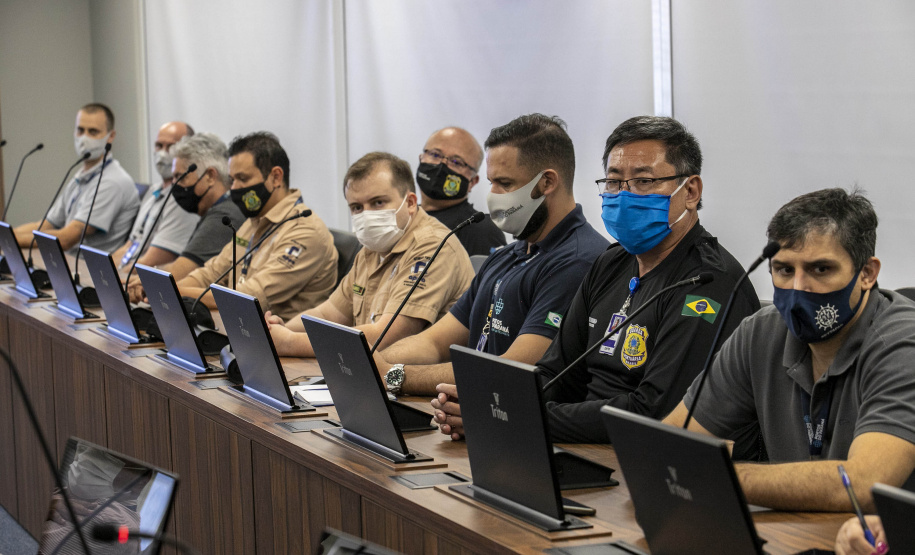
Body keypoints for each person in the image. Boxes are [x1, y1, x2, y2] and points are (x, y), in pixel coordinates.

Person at [664, 188, 915, 512]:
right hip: (797, 534)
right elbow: (670, 442)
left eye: (820, 269)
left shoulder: (902, 344)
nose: (798, 289)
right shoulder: (761, 332)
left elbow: (863, 485)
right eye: (784, 270)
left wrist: (715, 477)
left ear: (867, 274)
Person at [374, 114, 609, 439]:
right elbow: (435, 342)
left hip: (528, 436)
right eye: (492, 182)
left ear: (547, 183)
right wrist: (374, 363)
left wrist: (396, 375)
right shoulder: (510, 255)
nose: (493, 195)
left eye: (506, 184)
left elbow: (510, 369)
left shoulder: (579, 260)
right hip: (471, 417)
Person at [535, 115, 760, 443]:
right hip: (583, 444)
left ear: (691, 191)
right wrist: (501, 406)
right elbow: (558, 371)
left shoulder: (709, 282)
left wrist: (536, 420)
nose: (625, 196)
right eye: (614, 182)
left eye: (644, 181)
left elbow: (655, 412)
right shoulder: (610, 263)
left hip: (660, 461)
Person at [265, 152, 474, 356]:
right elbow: (328, 313)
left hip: (418, 385)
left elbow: (386, 337)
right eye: (356, 207)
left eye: (378, 202)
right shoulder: (373, 248)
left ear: (410, 203)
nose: (367, 215)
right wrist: (282, 330)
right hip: (366, 374)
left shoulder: (432, 247)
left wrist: (291, 342)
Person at [176, 132, 337, 320]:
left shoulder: (306, 232)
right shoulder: (255, 220)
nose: (234, 188)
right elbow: (211, 273)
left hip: (279, 344)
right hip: (237, 331)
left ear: (276, 177)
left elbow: (246, 298)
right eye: (232, 179)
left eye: (243, 179)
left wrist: (176, 292)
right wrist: (174, 289)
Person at [126, 133, 245, 302]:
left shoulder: (224, 216)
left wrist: (142, 283)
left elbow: (181, 270)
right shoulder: (217, 209)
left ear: (210, 176)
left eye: (180, 177)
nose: (175, 184)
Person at [14, 103, 139, 252]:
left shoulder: (112, 182)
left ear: (110, 136)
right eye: (80, 130)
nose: (84, 138)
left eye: (93, 132)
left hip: (86, 271)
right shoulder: (81, 176)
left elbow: (66, 239)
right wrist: (7, 236)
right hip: (65, 265)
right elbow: (44, 225)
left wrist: (7, 240)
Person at [111, 121, 199, 269]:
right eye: (159, 146)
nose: (162, 153)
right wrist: (103, 270)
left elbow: (154, 261)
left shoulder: (184, 199)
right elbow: (131, 244)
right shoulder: (153, 190)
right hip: (127, 272)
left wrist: (115, 277)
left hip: (143, 282)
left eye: (171, 146)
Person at [416, 127, 506, 256]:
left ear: (473, 181)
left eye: (456, 162)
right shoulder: (403, 218)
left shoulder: (478, 229)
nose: (442, 165)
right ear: (421, 158)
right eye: (435, 154)